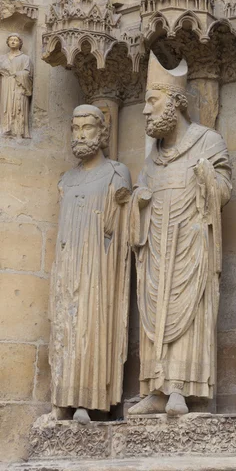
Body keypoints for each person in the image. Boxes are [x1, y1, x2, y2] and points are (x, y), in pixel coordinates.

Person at [128, 52, 232, 416]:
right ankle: (156, 388)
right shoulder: (152, 157)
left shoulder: (208, 142)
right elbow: (140, 197)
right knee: (154, 313)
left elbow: (223, 190)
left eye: (152, 102)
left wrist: (206, 177)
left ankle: (180, 388)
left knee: (189, 313)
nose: (145, 111)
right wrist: (138, 203)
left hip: (191, 243)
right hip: (156, 245)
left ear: (175, 103)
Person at [48, 105, 132, 424]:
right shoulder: (66, 180)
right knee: (65, 329)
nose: (81, 135)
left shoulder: (116, 173)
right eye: (76, 128)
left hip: (98, 265)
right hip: (68, 264)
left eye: (88, 128)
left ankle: (87, 399)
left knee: (90, 327)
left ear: (103, 133)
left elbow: (123, 226)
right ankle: (62, 398)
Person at [0, 33, 32, 138]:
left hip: (19, 86)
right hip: (6, 85)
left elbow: (28, 73)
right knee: (7, 107)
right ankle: (6, 128)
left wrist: (16, 74)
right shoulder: (2, 58)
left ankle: (19, 131)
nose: (13, 41)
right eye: (11, 40)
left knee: (19, 107)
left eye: (16, 40)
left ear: (20, 43)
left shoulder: (25, 58)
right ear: (8, 42)